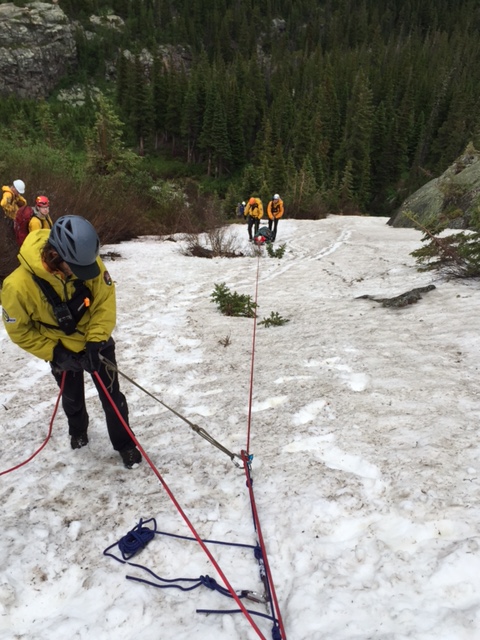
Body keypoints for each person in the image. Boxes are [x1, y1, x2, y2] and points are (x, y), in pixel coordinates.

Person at [1, 215, 142, 469]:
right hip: (61, 350)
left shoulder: (86, 260)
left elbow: (104, 301)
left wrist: (96, 341)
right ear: (54, 256)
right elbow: (20, 331)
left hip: (96, 343)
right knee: (72, 396)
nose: (84, 273)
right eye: (76, 268)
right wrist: (55, 353)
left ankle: (126, 444)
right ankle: (78, 431)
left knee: (112, 396)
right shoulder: (16, 287)